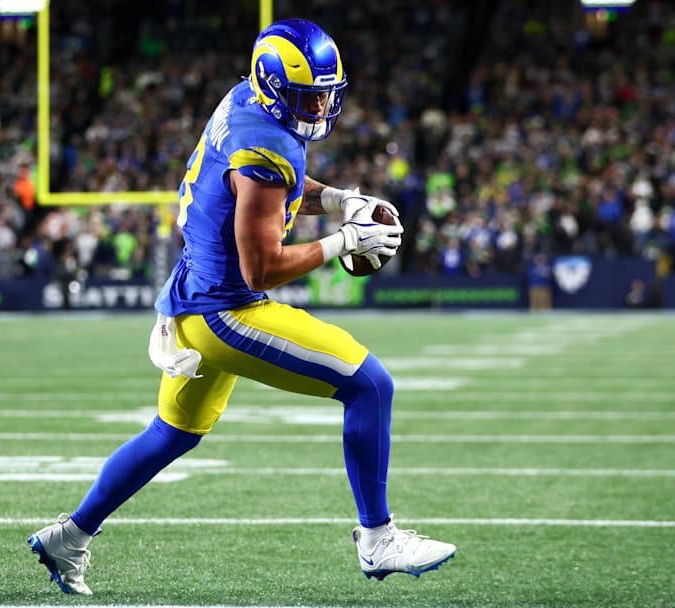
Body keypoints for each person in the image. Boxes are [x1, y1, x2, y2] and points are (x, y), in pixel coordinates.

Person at [28, 19, 455, 596]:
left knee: (170, 434)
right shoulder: (268, 146)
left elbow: (273, 188)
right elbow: (261, 265)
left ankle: (70, 536)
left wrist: (335, 200)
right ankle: (378, 539)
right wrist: (344, 240)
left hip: (190, 295)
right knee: (370, 384)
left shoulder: (243, 100)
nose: (323, 105)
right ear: (276, 89)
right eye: (309, 95)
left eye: (328, 91)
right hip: (226, 311)